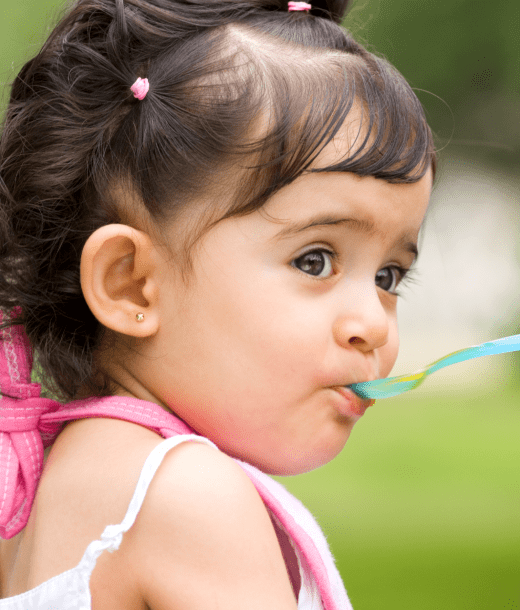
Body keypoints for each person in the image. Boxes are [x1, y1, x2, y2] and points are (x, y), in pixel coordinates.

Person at [0, 0, 435, 607]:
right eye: (315, 260)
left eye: (389, 276)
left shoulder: (44, 485)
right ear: (131, 284)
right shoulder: (186, 495)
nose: (372, 325)